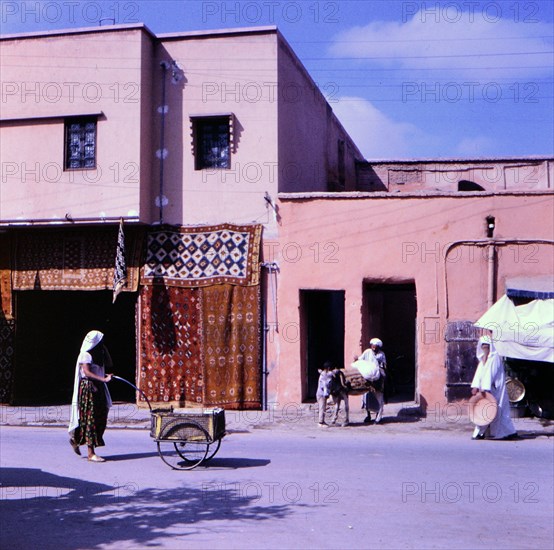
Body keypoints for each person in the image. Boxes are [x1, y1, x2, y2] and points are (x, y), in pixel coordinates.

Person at [68, 330, 113, 462]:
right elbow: (86, 372)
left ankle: (76, 440)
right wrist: (103, 379)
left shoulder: (98, 354)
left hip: (97, 387)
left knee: (100, 416)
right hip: (89, 389)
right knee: (90, 419)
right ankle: (91, 453)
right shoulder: (85, 355)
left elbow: (109, 363)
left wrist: (104, 349)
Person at [470, 335, 517, 441]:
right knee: (484, 411)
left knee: (498, 411)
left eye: (487, 346)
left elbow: (490, 373)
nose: (485, 348)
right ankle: (480, 433)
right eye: (483, 346)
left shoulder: (494, 358)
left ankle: (506, 432)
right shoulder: (483, 359)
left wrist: (485, 388)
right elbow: (479, 373)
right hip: (486, 389)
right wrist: (475, 386)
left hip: (495, 389)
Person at [355, 338, 387, 423]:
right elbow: (360, 359)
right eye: (373, 346)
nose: (374, 348)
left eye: (376, 346)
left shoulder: (381, 354)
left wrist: (380, 368)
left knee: (378, 395)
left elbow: (384, 365)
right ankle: (368, 415)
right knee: (367, 396)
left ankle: (378, 415)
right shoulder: (367, 352)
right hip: (367, 376)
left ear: (378, 347)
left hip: (377, 376)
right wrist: (356, 359)